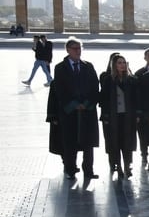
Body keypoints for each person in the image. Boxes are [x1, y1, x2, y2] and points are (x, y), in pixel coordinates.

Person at [47, 37, 101, 179]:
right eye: (75, 49)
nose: (78, 51)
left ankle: (88, 170)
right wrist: (74, 105)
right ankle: (70, 169)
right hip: (69, 112)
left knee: (88, 143)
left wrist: (87, 104)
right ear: (68, 50)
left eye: (79, 48)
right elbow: (59, 90)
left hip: (87, 111)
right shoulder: (60, 68)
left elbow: (95, 87)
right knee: (70, 141)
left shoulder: (88, 66)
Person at [99, 53, 139, 179]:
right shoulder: (108, 80)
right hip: (113, 117)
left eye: (123, 63)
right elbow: (103, 100)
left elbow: (138, 99)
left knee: (127, 142)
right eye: (119, 63)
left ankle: (127, 165)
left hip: (128, 117)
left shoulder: (132, 80)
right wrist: (105, 116)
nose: (122, 65)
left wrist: (137, 114)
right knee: (114, 142)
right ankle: (118, 166)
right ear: (114, 65)